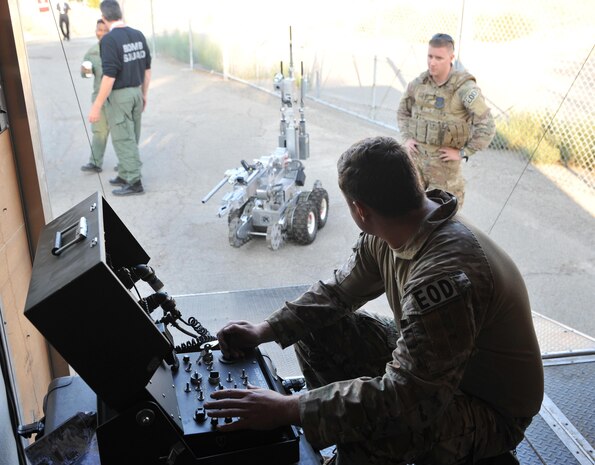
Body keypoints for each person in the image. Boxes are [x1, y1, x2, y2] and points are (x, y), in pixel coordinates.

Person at [204, 136, 544, 465]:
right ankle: (339, 428)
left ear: (360, 210)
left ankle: (353, 446)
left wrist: (289, 409)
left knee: (381, 429)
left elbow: (408, 396)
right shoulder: (397, 226)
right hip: (441, 370)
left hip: (491, 410)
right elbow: (335, 293)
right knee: (314, 326)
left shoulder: (443, 275)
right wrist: (265, 329)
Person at [397, 33, 495, 208]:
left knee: (442, 222)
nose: (432, 62)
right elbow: (403, 112)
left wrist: (463, 152)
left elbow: (487, 124)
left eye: (439, 58)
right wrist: (406, 138)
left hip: (444, 172)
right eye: (430, 56)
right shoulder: (419, 84)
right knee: (410, 213)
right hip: (416, 165)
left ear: (451, 58)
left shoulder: (463, 88)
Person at [88, 0, 151, 196]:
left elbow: (109, 77)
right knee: (132, 134)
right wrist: (144, 94)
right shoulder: (138, 34)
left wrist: (97, 106)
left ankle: (134, 181)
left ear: (104, 18)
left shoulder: (109, 40)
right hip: (136, 92)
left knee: (124, 139)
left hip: (120, 96)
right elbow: (147, 70)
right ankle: (124, 174)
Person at [80, 19, 109, 174]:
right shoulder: (91, 52)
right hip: (99, 98)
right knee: (99, 131)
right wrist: (85, 71)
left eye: (106, 30)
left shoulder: (118, 48)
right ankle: (95, 162)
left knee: (123, 134)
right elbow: (85, 75)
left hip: (117, 99)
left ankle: (126, 165)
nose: (102, 33)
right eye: (99, 30)